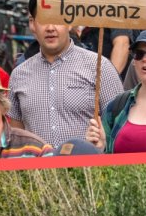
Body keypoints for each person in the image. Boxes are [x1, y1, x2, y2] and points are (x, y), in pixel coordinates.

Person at [8, 12, 123, 147]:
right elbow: (17, 137)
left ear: (70, 22)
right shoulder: (18, 75)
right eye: (44, 20)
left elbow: (119, 124)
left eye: (57, 19)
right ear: (32, 23)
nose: (50, 28)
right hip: (37, 167)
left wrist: (103, 144)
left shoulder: (99, 66)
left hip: (87, 166)